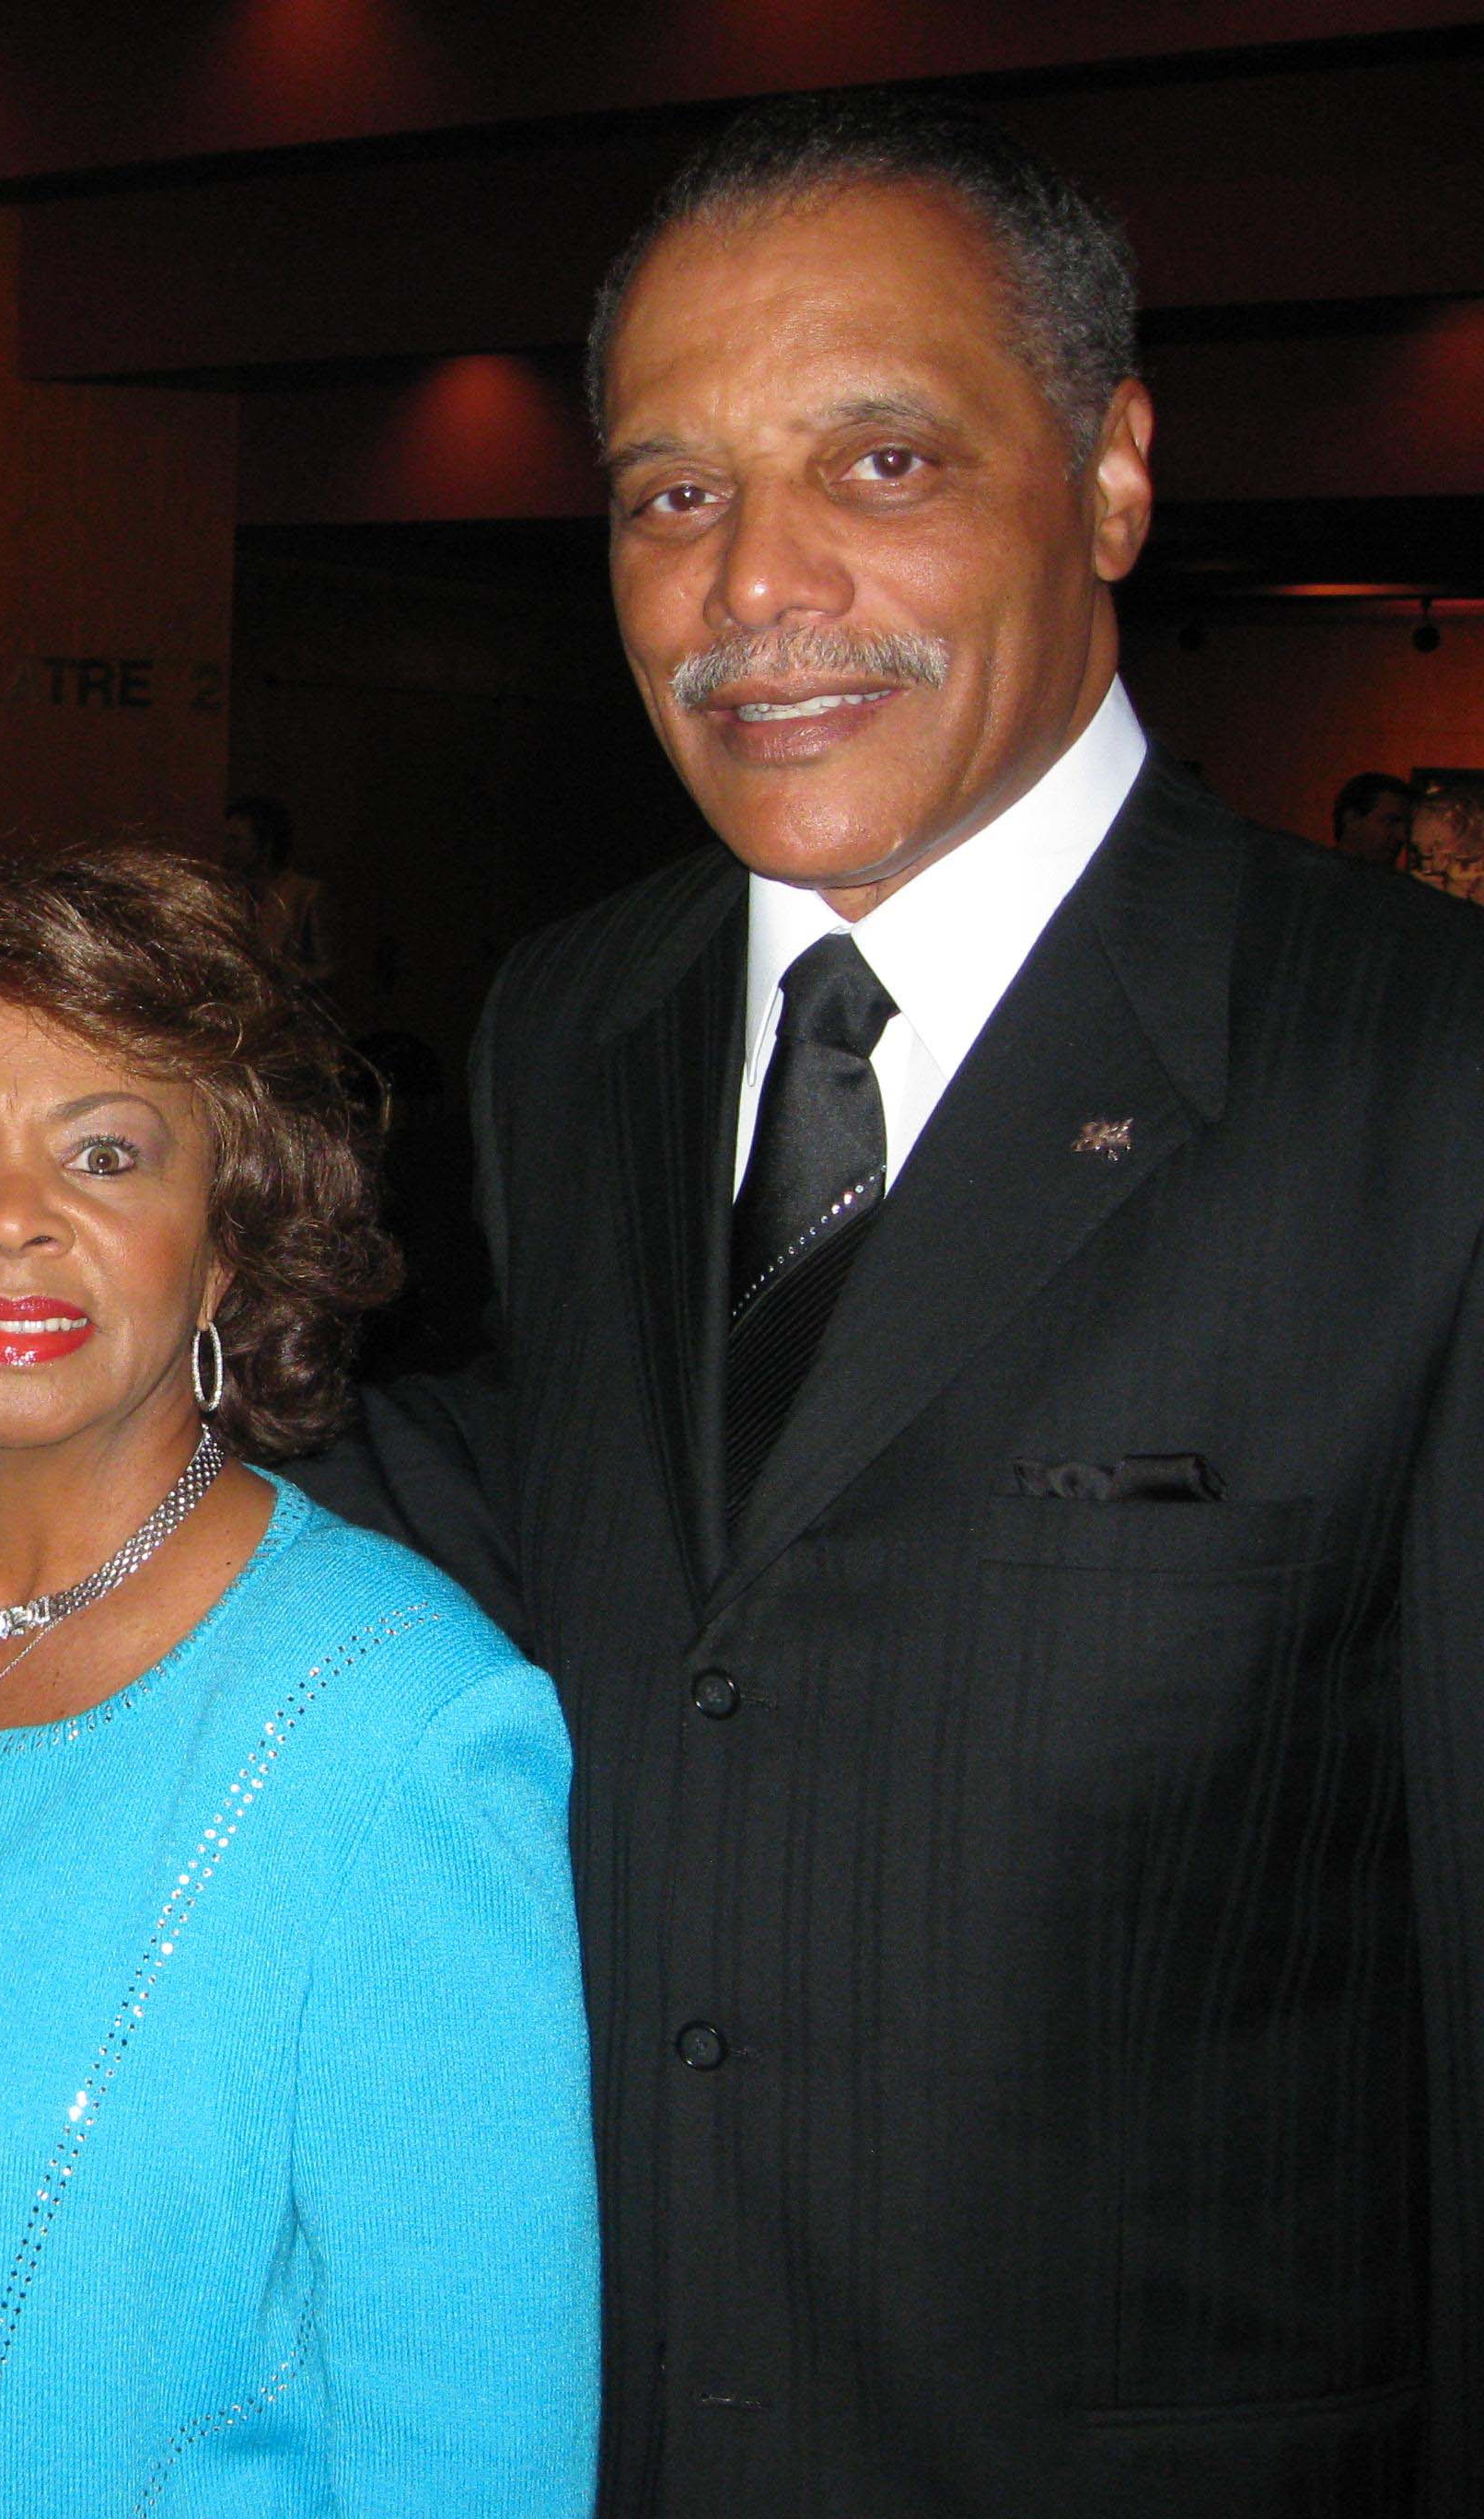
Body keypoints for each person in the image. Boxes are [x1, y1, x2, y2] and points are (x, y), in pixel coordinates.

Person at [305, 89, 1484, 2517]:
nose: (751, 587)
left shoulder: (1415, 1079)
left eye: (878, 465)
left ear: (1115, 475)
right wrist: (48, 1403)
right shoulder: (582, 1020)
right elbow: (633, 1508)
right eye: (668, 493)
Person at [0, 848, 598, 2514]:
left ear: (221, 1244)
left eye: (102, 1153)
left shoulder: (405, 1730)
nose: (9, 1215)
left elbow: (470, 2455)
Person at [225, 791, 328, 980]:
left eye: (236, 840)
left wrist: (280, 973)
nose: (228, 849)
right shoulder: (228, 892)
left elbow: (327, 969)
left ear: (265, 844)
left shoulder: (305, 894)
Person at [1331, 768, 1414, 868]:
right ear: (1352, 819)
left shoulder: (1398, 883)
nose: (1402, 836)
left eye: (1406, 827)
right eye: (1391, 822)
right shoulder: (1314, 876)